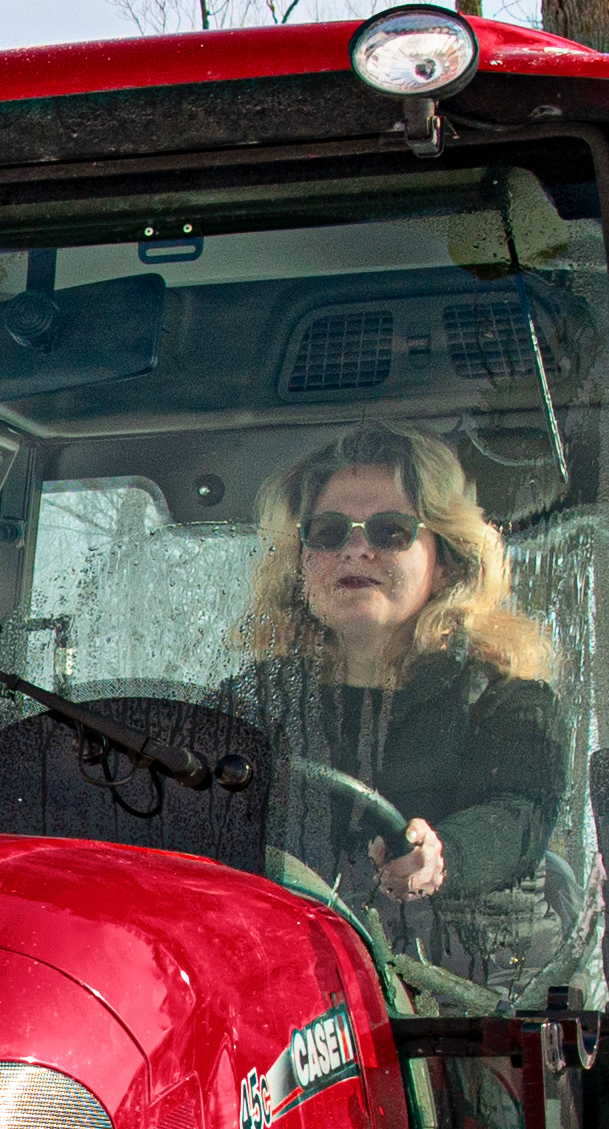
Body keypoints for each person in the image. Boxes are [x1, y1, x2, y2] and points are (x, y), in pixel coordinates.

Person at [230, 423, 586, 987]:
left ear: (446, 561)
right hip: (291, 990)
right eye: (327, 532)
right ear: (301, 562)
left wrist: (444, 856)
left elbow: (519, 813)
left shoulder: (506, 698)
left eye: (391, 531)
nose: (356, 547)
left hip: (460, 1011)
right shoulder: (255, 699)